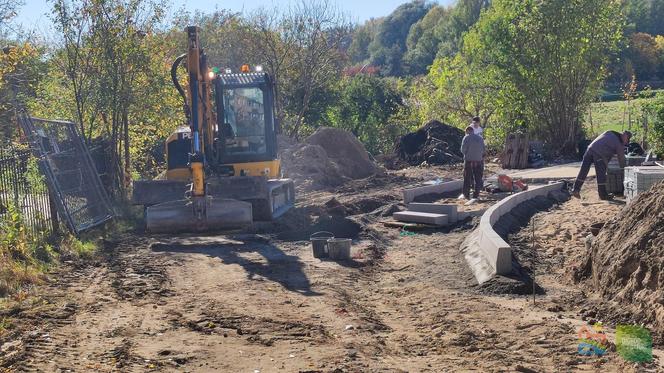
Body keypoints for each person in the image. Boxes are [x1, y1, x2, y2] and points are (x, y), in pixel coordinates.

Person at [572, 130, 631, 201]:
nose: (626, 142)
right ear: (625, 136)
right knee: (601, 175)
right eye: (627, 140)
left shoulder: (609, 132)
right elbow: (621, 159)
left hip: (590, 149)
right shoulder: (618, 143)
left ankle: (575, 189)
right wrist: (626, 170)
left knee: (584, 170)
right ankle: (603, 195)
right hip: (599, 154)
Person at [461, 125, 485, 200]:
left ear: (467, 131)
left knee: (467, 177)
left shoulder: (466, 137)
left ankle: (466, 194)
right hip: (478, 161)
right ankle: (476, 194)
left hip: (469, 161)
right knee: (478, 178)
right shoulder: (480, 138)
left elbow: (463, 150)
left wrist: (468, 153)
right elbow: (484, 150)